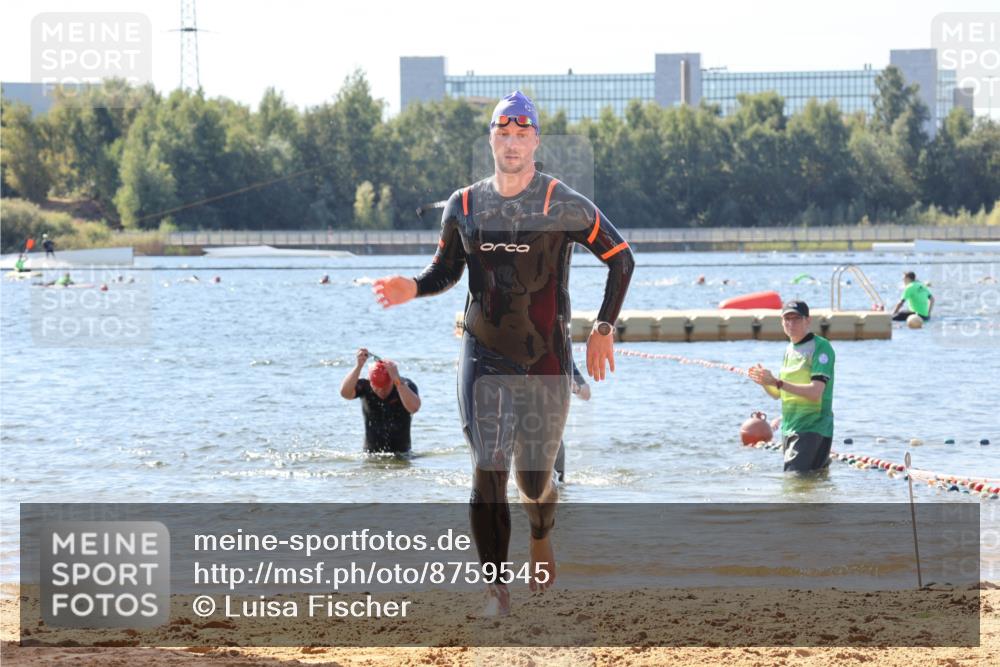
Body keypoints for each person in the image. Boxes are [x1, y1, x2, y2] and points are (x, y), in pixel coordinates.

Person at [372, 90, 634, 615]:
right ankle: (495, 588)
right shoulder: (465, 205)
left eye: (522, 134)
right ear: (491, 138)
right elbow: (446, 270)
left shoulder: (562, 202)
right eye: (503, 133)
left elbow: (621, 258)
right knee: (488, 467)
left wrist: (604, 327)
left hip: (546, 360)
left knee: (534, 484)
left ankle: (540, 533)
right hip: (484, 356)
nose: (512, 143)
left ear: (535, 141)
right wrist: (414, 288)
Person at [748, 300, 835, 473]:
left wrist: (777, 382)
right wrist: (765, 382)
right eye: (787, 319)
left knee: (793, 482)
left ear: (807, 320)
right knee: (810, 482)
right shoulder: (790, 349)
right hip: (790, 427)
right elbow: (778, 394)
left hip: (812, 427)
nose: (791, 323)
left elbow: (815, 392)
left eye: (796, 319)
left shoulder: (821, 346)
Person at [340, 348, 420, 454]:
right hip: (371, 454)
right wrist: (358, 366)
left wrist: (397, 380)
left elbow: (414, 408)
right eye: (377, 387)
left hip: (402, 453)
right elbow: (345, 393)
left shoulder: (404, 386)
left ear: (392, 382)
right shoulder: (365, 386)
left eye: (384, 388)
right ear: (370, 381)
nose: (381, 391)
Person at [554, 361, 590, 483]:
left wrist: (576, 388)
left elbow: (586, 394)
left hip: (553, 436)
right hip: (524, 431)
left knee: (559, 485)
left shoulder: (564, 358)